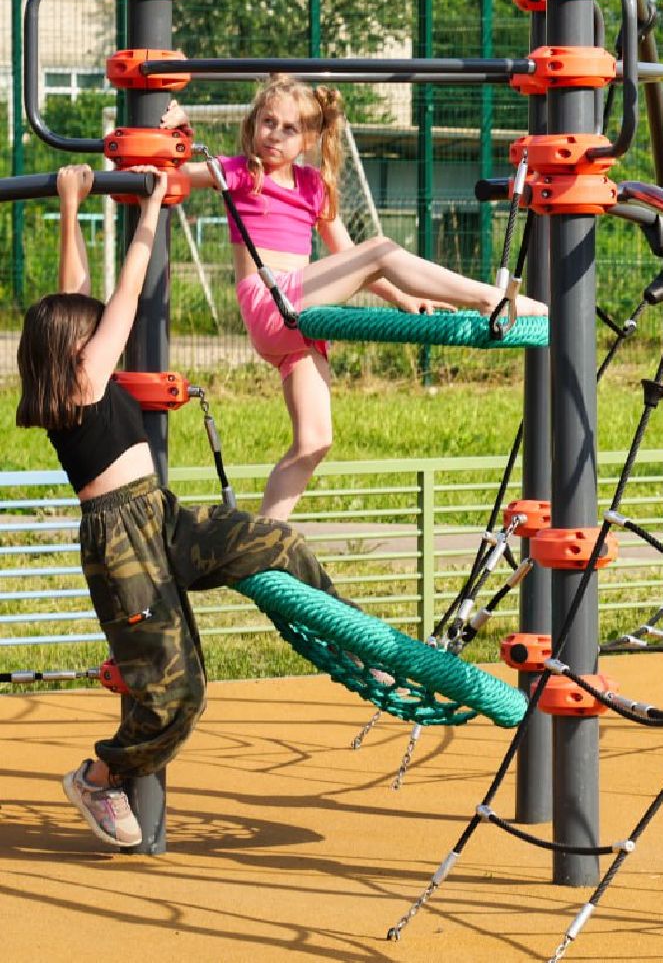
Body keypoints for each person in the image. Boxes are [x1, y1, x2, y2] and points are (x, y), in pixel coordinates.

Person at [16, 164, 346, 849]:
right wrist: (151, 213)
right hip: (120, 546)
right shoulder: (82, 380)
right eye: (89, 330)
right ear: (76, 349)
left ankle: (347, 633)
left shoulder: (70, 363)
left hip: (159, 516)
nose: (98, 326)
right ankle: (100, 776)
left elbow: (70, 293)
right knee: (175, 694)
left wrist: (72, 207)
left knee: (268, 540)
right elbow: (125, 296)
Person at [168, 76, 546, 520]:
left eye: (290, 128)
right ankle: (492, 298)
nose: (274, 133)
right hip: (272, 302)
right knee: (381, 249)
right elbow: (172, 174)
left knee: (314, 441)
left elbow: (349, 261)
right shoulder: (238, 171)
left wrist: (401, 297)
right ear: (252, 126)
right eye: (267, 122)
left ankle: (265, 537)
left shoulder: (313, 187)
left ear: (309, 140)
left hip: (303, 320)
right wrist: (178, 133)